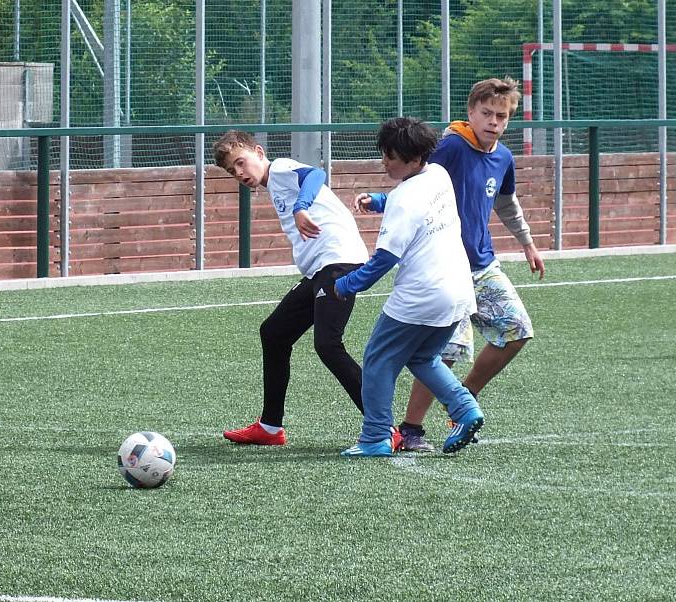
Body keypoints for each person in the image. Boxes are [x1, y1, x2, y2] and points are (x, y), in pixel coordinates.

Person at [395, 77, 547, 452]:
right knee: (442, 353)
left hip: (482, 264)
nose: (493, 121)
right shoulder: (450, 148)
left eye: (501, 115)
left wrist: (527, 242)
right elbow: (414, 186)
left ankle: (464, 397)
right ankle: (410, 429)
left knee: (516, 330)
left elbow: (506, 204)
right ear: (471, 112)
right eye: (486, 113)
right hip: (444, 268)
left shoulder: (503, 157)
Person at [213, 130, 374, 447]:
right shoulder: (272, 185)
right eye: (233, 171)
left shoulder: (282, 168)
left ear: (259, 152)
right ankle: (270, 427)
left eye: (241, 163)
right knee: (273, 332)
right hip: (320, 270)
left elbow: (316, 174)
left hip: (338, 262)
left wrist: (301, 206)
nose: (240, 173)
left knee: (328, 345)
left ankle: (383, 426)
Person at [335, 117, 483, 457]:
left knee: (378, 360)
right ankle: (464, 409)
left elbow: (383, 260)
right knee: (423, 356)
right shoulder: (438, 174)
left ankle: (374, 438)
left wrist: (345, 285)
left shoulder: (404, 200)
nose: (385, 162)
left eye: (392, 157)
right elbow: (419, 203)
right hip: (458, 292)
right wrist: (379, 200)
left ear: (414, 160)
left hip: (422, 295)